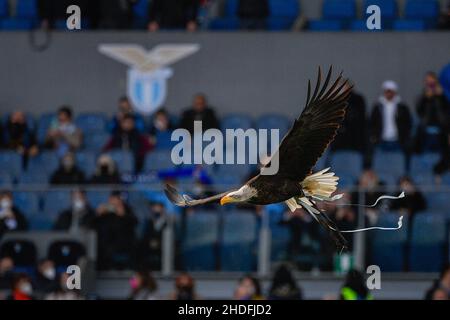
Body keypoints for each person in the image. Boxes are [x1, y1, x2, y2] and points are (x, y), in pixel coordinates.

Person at [368, 81, 412, 166]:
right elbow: (372, 123)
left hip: (397, 140)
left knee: (397, 163)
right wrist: (374, 136)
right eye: (387, 91)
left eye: (391, 91)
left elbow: (407, 124)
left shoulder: (402, 107)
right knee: (381, 163)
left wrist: (405, 137)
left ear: (394, 92)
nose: (389, 93)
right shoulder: (378, 107)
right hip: (381, 140)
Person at [94, 191, 138, 270]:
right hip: (106, 246)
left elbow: (134, 223)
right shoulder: (105, 213)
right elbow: (92, 225)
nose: (112, 202)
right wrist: (97, 214)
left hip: (124, 246)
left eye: (115, 199)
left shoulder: (127, 211)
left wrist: (123, 215)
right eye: (111, 199)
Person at [414, 72, 450, 153]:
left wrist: (442, 96)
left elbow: (447, 109)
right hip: (426, 123)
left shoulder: (442, 95)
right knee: (419, 132)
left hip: (442, 123)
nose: (431, 85)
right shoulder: (422, 96)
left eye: (432, 83)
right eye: (428, 82)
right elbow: (419, 111)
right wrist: (425, 98)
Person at [330, 84, 367, 154]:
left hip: (353, 142)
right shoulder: (336, 102)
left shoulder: (357, 100)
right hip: (338, 144)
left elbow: (361, 121)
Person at [137, 201, 168, 271]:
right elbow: (146, 234)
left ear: (162, 208)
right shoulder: (149, 221)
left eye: (157, 207)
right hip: (149, 246)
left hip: (163, 246)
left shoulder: (168, 221)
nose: (155, 209)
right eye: (153, 207)